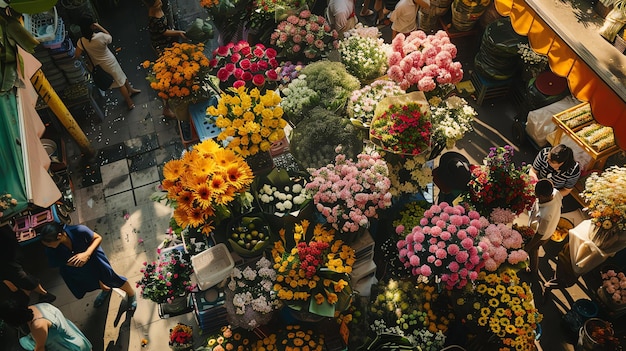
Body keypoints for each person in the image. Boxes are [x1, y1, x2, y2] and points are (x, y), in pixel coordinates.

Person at [37, 222, 137, 311]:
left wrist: (86, 254)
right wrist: (69, 263)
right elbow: (55, 262)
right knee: (91, 282)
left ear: (59, 236)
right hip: (77, 269)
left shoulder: (78, 230)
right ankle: (105, 290)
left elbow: (98, 238)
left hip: (95, 259)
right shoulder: (50, 249)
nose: (48, 246)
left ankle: (131, 294)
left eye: (49, 244)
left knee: (111, 278)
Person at [0, 280, 92, 351]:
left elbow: (40, 348)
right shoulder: (38, 306)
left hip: (68, 346)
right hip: (73, 337)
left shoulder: (38, 326)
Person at [74, 16, 141, 110]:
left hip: (100, 65)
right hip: (110, 62)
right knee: (120, 83)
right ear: (92, 26)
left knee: (121, 76)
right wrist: (99, 27)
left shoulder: (81, 41)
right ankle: (129, 101)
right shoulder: (100, 36)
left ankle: (130, 90)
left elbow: (76, 54)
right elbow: (109, 37)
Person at [143, 0, 187, 119]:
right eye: (157, 2)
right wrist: (178, 33)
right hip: (162, 48)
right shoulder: (154, 18)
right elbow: (164, 32)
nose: (160, 3)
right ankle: (166, 108)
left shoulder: (157, 9)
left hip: (166, 45)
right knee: (167, 79)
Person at [0, 225, 56, 303]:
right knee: (20, 272)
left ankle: (45, 294)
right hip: (8, 245)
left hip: (5, 252)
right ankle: (37, 293)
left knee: (19, 275)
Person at [524, 179, 563, 274]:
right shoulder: (556, 192)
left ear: (541, 196)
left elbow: (540, 234)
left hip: (543, 235)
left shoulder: (546, 214)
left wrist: (529, 246)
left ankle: (533, 270)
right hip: (550, 227)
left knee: (533, 250)